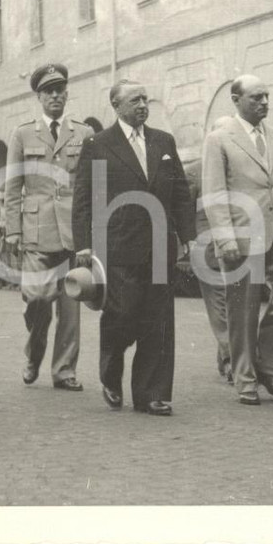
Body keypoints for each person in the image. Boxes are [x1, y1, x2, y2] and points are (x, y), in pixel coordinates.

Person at [72, 79, 195, 416]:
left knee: (158, 320)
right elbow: (83, 199)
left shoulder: (163, 142)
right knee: (122, 315)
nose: (143, 104)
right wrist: (83, 244)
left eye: (145, 98)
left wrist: (188, 236)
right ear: (116, 106)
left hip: (159, 246)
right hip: (117, 246)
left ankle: (151, 394)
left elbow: (181, 193)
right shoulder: (98, 144)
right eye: (134, 100)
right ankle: (111, 374)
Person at [202, 74, 273, 405]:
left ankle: (268, 366)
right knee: (243, 310)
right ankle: (245, 377)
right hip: (242, 236)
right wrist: (225, 238)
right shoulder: (219, 139)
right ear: (236, 100)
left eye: (267, 96)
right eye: (256, 97)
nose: (264, 102)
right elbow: (214, 192)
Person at [4, 63, 93, 392]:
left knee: (71, 306)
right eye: (48, 91)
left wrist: (92, 232)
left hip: (73, 230)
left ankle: (64, 370)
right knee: (38, 299)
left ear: (67, 94)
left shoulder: (83, 134)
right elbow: (12, 186)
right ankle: (34, 351)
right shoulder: (23, 134)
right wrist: (12, 229)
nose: (55, 96)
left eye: (60, 90)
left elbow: (91, 186)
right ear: (39, 97)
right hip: (36, 231)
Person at [185, 121, 232, 384]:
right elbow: (183, 210)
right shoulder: (194, 171)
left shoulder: (238, 168)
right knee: (220, 309)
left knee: (233, 306)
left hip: (238, 250)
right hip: (208, 250)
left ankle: (225, 358)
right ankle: (231, 361)